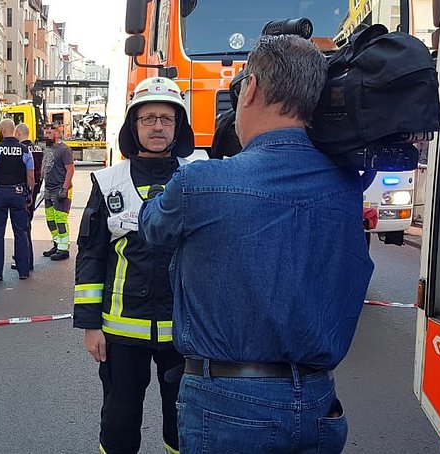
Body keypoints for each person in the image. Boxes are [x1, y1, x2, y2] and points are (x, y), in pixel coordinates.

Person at [138, 35, 374, 452]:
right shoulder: (347, 185)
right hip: (319, 404)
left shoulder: (200, 184)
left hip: (227, 406)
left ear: (252, 89)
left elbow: (152, 227)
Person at [73, 76, 195, 454]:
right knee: (119, 420)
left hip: (185, 333)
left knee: (185, 421)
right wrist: (91, 325)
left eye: (166, 118)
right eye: (148, 118)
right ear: (133, 126)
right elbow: (91, 256)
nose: (157, 126)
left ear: (178, 127)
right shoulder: (108, 181)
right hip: (121, 335)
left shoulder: (198, 176)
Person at [0, 119, 34, 281]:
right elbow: (30, 175)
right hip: (18, 193)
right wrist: (29, 193)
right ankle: (23, 271)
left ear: (2, 131)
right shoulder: (25, 150)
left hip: (0, 193)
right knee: (21, 232)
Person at [10, 123, 43, 271]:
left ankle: (25, 261)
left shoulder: (21, 150)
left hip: (24, 190)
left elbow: (25, 172)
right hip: (34, 189)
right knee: (26, 225)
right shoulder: (37, 148)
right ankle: (25, 259)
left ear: (17, 134)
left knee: (22, 228)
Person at [41, 129, 74, 261]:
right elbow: (45, 167)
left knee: (60, 219)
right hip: (49, 189)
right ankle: (56, 244)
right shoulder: (47, 149)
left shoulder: (65, 150)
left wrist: (64, 188)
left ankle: (63, 249)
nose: (46, 135)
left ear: (57, 134)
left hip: (60, 189)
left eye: (50, 133)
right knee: (50, 219)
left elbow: (70, 169)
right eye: (45, 133)